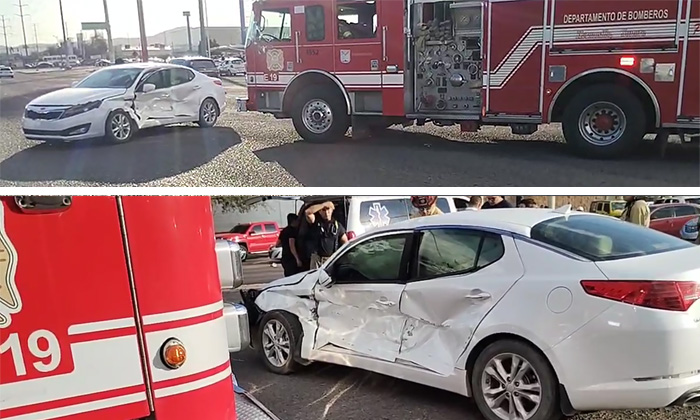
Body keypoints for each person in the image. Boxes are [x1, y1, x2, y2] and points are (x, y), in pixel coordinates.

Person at [305, 201, 349, 269]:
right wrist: (323, 205)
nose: (326, 212)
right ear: (319, 212)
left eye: (328, 209)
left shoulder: (337, 225)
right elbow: (308, 212)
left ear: (332, 210)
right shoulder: (315, 222)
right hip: (317, 260)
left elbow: (345, 242)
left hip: (330, 260)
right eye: (323, 210)